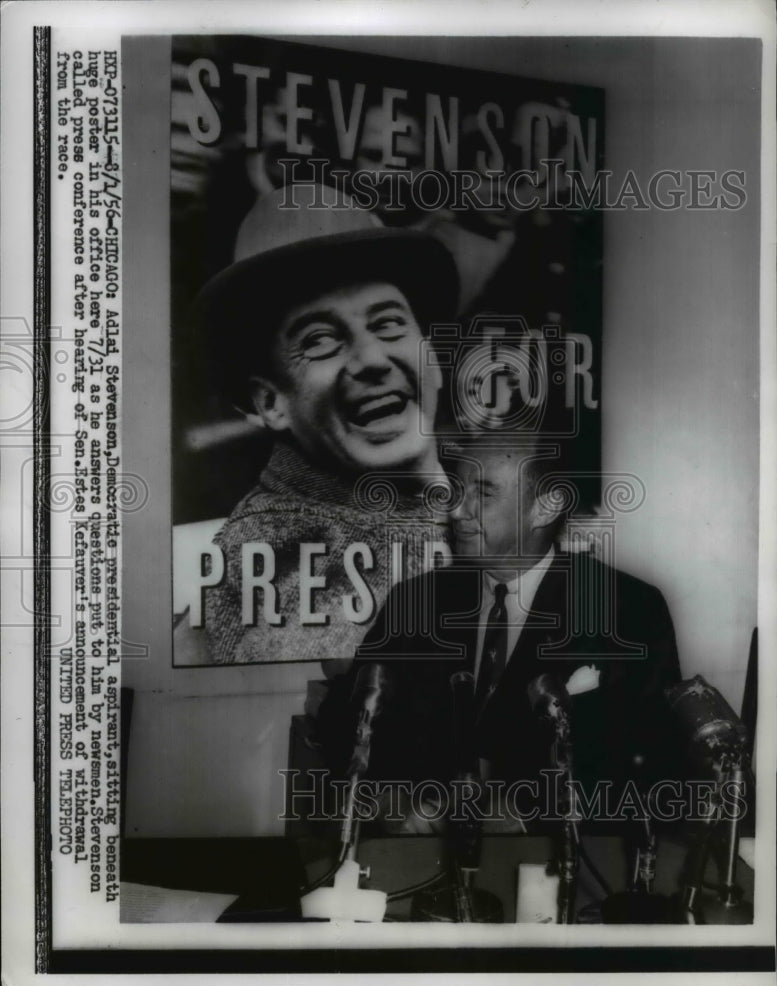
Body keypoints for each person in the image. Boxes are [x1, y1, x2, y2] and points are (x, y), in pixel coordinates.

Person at [318, 434, 684, 833]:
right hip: (417, 862)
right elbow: (344, 721)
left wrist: (524, 814)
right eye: (457, 490)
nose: (456, 509)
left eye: (483, 492)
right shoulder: (416, 601)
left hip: (553, 865)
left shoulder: (626, 609)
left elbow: (654, 758)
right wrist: (386, 800)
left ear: (545, 507)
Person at [195, 184, 460, 664]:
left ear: (433, 359)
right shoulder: (292, 556)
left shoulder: (478, 498)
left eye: (388, 324)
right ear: (271, 402)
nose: (372, 359)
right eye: (319, 340)